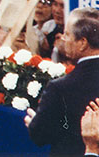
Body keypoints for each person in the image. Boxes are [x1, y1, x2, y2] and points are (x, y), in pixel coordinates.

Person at [26, 8, 99, 154]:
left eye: (67, 34)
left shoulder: (60, 88)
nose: (63, 39)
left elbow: (40, 136)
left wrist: (34, 123)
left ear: (83, 43)